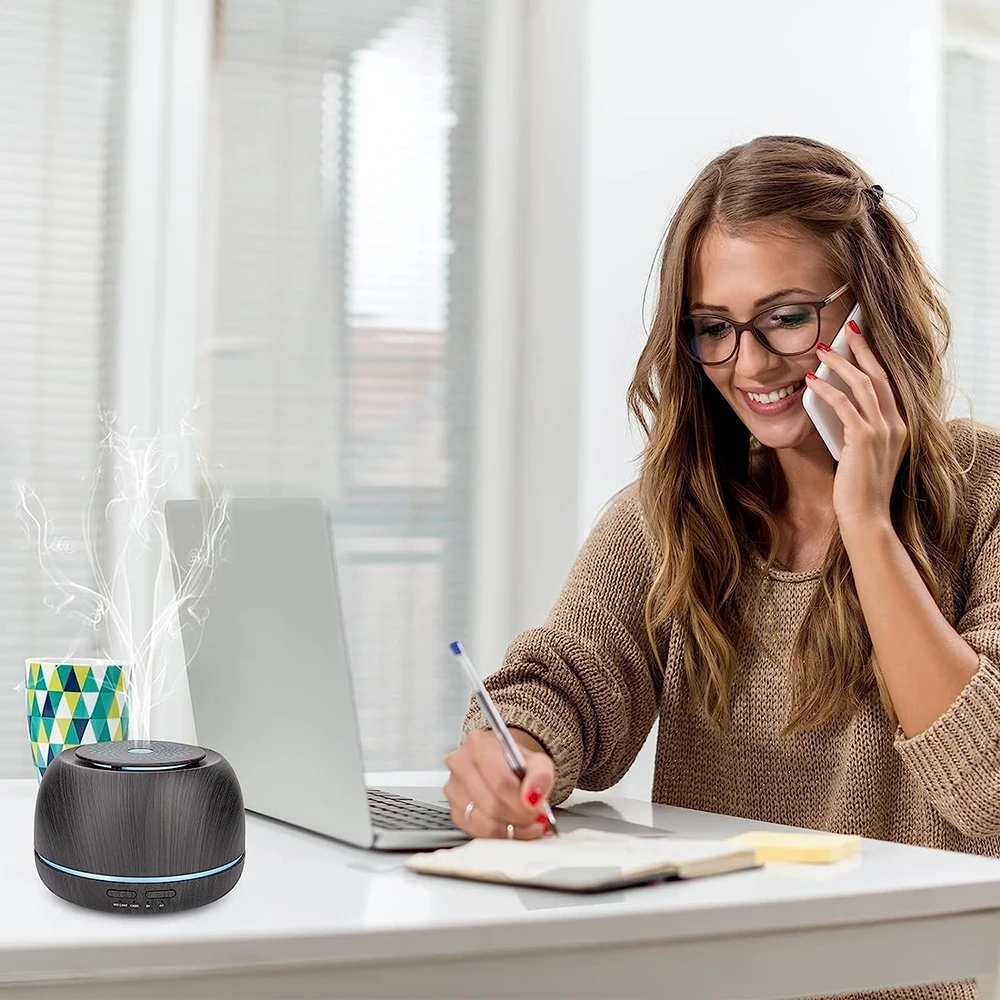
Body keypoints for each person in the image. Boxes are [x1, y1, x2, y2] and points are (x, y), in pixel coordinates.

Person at [444, 136, 1000, 870]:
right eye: (714, 328)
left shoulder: (986, 490)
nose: (752, 363)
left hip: (915, 947)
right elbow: (567, 683)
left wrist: (866, 521)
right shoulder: (673, 512)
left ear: (873, 309)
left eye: (788, 316)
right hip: (721, 936)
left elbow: (986, 789)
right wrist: (513, 750)